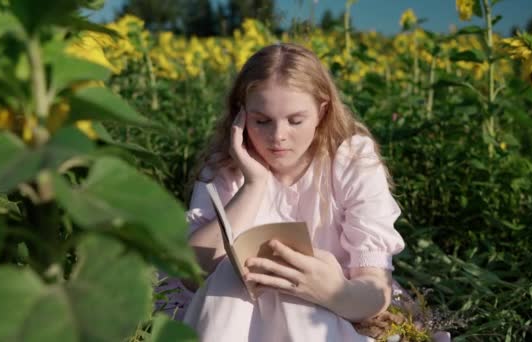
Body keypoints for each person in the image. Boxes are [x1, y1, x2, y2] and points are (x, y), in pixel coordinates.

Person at [163, 42, 406, 341]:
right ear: (240, 116)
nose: (278, 137)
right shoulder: (228, 166)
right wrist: (254, 185)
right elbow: (190, 273)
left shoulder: (351, 161)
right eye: (262, 121)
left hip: (334, 312)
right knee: (230, 271)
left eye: (295, 120)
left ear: (322, 111)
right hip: (233, 317)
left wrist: (329, 290)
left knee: (292, 283)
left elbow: (374, 290)